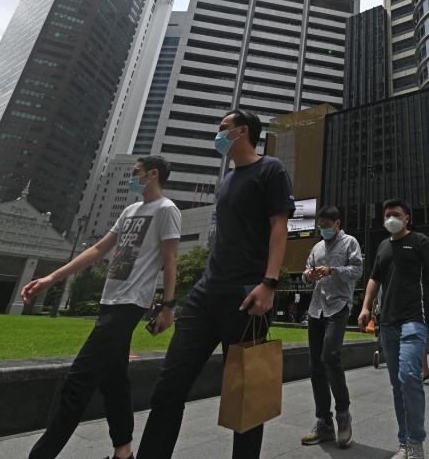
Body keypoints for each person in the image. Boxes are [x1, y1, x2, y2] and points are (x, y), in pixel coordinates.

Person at [136, 109, 294, 459]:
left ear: (242, 131)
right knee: (168, 386)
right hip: (206, 294)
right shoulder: (227, 179)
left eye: (223, 128)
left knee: (245, 393)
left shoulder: (271, 169)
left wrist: (269, 282)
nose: (218, 134)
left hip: (247, 295)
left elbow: (278, 227)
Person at [20, 155, 181, 459]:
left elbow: (171, 259)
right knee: (113, 380)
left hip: (130, 303)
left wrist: (168, 306)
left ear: (153, 174)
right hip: (111, 300)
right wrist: (52, 277)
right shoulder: (131, 210)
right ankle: (124, 452)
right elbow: (98, 248)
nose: (133, 178)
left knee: (77, 382)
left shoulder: (167, 210)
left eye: (137, 173)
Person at [358, 199, 429, 459]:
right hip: (387, 322)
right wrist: (365, 308)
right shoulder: (383, 246)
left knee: (409, 377)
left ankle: (416, 442)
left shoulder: (420, 241)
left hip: (414, 319)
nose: (390, 219)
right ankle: (404, 442)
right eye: (386, 215)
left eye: (395, 214)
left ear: (407, 218)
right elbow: (374, 279)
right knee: (397, 385)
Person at [299, 205, 363, 448]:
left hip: (338, 307)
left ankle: (343, 416)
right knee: (315, 365)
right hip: (316, 309)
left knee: (330, 356)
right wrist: (309, 275)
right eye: (320, 225)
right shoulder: (316, 247)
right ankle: (323, 422)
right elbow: (305, 272)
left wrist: (334, 270)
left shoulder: (350, 243)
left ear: (337, 223)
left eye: (326, 225)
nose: (322, 229)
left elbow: (357, 270)